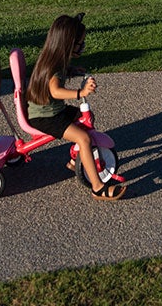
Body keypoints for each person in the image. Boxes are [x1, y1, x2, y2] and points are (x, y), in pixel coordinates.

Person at [26, 15, 127, 201]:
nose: (83, 45)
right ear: (68, 43)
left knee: (85, 116)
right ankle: (98, 188)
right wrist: (80, 92)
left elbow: (55, 81)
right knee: (84, 138)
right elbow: (55, 91)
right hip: (45, 117)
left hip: (51, 111)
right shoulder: (53, 67)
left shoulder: (55, 60)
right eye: (80, 43)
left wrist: (72, 71)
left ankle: (76, 161)